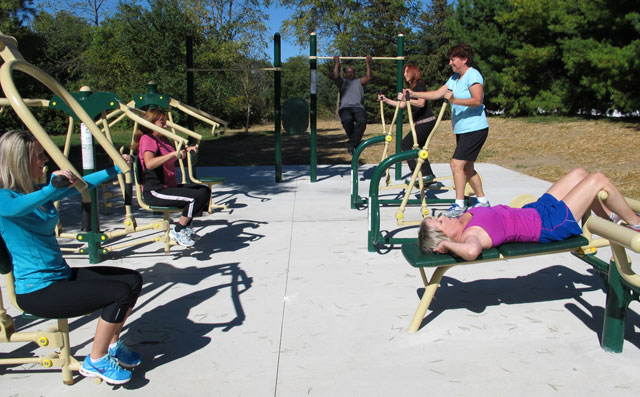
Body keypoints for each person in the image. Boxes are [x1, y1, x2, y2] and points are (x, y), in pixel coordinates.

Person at [0, 130, 143, 384]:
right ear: (19, 161)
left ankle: (111, 345)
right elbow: (14, 209)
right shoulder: (5, 198)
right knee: (118, 293)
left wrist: (117, 169)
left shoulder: (37, 193)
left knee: (131, 281)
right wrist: (51, 190)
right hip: (37, 291)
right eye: (39, 155)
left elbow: (83, 185)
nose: (45, 160)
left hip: (60, 276)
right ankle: (95, 361)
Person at [418, 167, 640, 260]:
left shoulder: (463, 222)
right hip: (549, 224)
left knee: (580, 173)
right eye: (439, 222)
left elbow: (471, 217)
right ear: (445, 237)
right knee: (598, 178)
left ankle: (613, 219)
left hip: (536, 210)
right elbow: (472, 251)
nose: (443, 216)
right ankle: (634, 223)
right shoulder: (470, 236)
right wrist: (446, 247)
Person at [408, 43, 490, 217]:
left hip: (475, 128)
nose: (450, 63)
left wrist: (454, 99)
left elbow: (477, 101)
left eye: (453, 60)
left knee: (456, 164)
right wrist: (414, 94)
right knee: (467, 168)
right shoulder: (455, 78)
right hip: (462, 129)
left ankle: (459, 204)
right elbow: (437, 93)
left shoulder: (472, 75)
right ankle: (483, 202)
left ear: (464, 59)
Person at [132, 108, 211, 248]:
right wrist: (173, 154)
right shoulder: (148, 139)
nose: (165, 126)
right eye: (162, 123)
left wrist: (187, 150)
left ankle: (185, 228)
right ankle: (178, 230)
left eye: (165, 123)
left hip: (169, 186)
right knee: (195, 197)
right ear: (151, 123)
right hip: (155, 190)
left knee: (204, 191)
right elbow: (149, 164)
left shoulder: (162, 138)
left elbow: (173, 155)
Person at [378, 64, 438, 184]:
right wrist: (386, 100)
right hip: (422, 123)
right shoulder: (410, 88)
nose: (404, 74)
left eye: (406, 72)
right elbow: (402, 105)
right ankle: (429, 175)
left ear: (413, 72)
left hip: (426, 121)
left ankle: (416, 172)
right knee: (419, 148)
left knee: (405, 144)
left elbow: (421, 103)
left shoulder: (420, 85)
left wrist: (407, 98)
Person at [333, 55, 372, 155]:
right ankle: (355, 142)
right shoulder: (342, 82)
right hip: (345, 108)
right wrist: (337, 62)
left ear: (354, 73)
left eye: (352, 72)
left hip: (358, 107)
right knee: (347, 120)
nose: (350, 74)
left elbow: (368, 77)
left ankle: (351, 143)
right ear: (345, 73)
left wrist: (368, 63)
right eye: (348, 72)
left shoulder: (359, 81)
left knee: (362, 121)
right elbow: (336, 76)